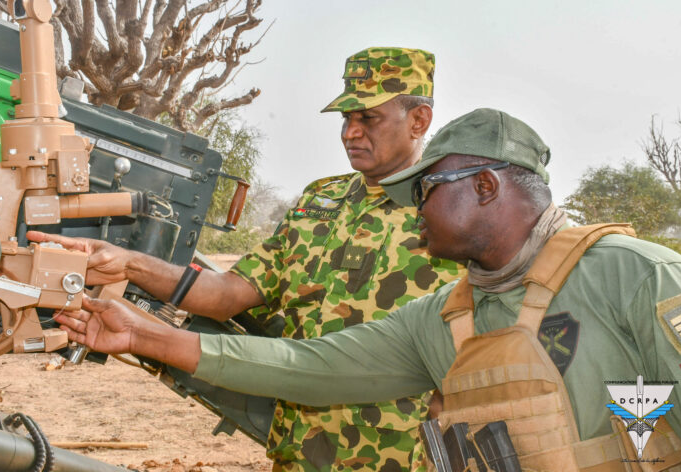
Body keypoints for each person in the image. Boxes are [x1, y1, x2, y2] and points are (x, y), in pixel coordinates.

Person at [54, 108, 681, 467]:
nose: (412, 209)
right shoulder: (445, 317)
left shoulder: (637, 277)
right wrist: (144, 334)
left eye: (424, 191)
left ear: (484, 187)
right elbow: (307, 367)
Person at [30, 47, 463, 472]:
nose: (350, 133)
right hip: (301, 451)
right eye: (347, 119)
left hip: (405, 456)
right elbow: (229, 294)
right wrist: (128, 263)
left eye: (368, 118)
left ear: (419, 120)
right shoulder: (322, 201)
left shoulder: (453, 211)